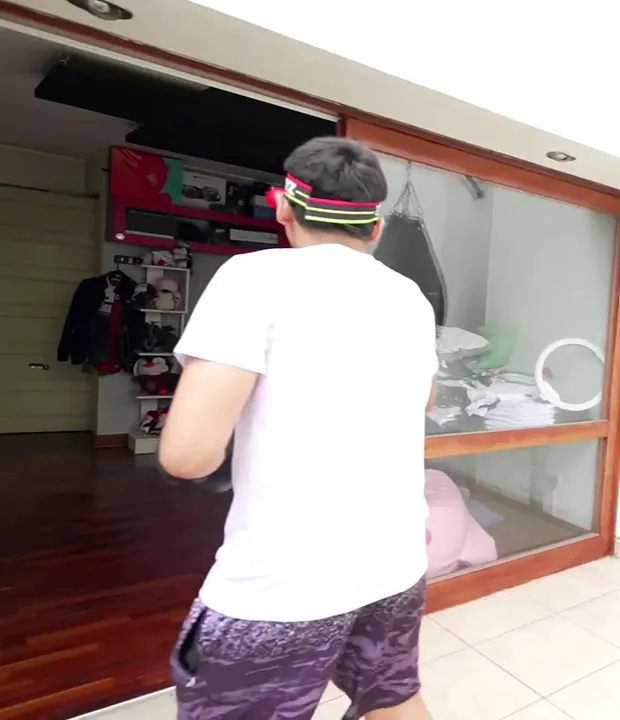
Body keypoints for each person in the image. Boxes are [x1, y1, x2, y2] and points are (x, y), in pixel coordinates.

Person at [159, 137, 437, 720]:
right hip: (393, 560)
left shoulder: (251, 278)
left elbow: (188, 456)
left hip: (284, 582)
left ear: (283, 208)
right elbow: (424, 399)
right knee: (392, 699)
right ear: (376, 228)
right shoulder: (410, 297)